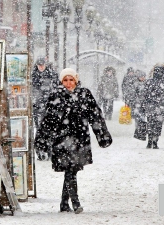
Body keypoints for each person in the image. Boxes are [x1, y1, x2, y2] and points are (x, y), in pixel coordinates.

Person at [34, 68, 112, 213]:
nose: (68, 83)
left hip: (79, 139)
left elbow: (95, 116)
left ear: (76, 80)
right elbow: (47, 120)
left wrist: (102, 135)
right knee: (70, 169)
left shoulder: (84, 94)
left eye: (71, 80)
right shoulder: (55, 95)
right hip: (62, 140)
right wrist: (42, 140)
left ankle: (64, 203)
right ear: (61, 81)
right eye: (65, 80)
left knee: (72, 170)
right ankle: (75, 202)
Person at [31, 57, 59, 161]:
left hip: (49, 106)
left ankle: (50, 151)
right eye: (39, 65)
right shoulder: (34, 75)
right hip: (38, 107)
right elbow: (33, 90)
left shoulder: (52, 74)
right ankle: (41, 152)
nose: (41, 67)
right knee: (40, 130)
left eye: (42, 65)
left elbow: (56, 88)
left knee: (50, 130)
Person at [141, 64, 164, 149]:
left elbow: (144, 94)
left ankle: (149, 141)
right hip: (160, 107)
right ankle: (155, 142)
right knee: (158, 124)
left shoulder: (148, 82)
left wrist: (145, 104)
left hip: (150, 106)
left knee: (150, 123)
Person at [133, 70, 148, 140]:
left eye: (144, 76)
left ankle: (142, 132)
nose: (143, 78)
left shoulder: (147, 84)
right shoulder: (136, 84)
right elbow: (133, 94)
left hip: (144, 104)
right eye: (141, 76)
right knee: (138, 118)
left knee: (143, 118)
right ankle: (138, 131)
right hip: (138, 103)